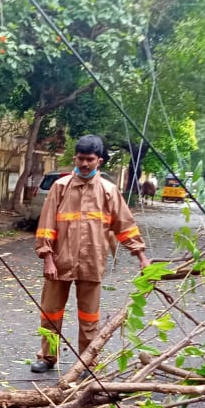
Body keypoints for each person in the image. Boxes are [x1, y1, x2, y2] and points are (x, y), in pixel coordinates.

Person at [30, 135, 149, 373]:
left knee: (89, 318)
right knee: (50, 314)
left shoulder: (108, 191)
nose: (85, 164)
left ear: (99, 161)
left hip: (92, 263)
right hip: (59, 263)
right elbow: (46, 226)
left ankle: (87, 362)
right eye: (81, 159)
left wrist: (142, 257)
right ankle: (47, 357)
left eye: (90, 160)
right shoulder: (60, 187)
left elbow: (124, 225)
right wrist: (48, 259)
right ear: (75, 158)